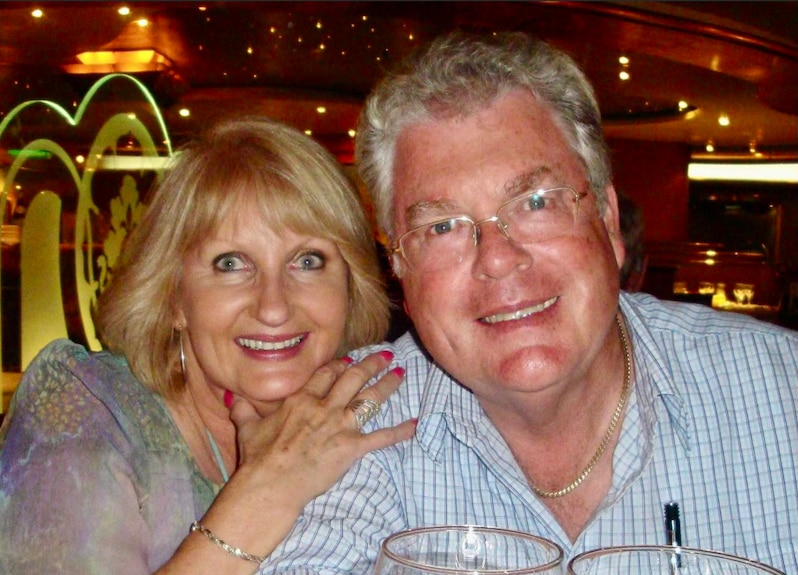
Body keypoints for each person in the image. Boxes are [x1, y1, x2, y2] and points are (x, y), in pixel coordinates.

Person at [258, 32, 798, 573]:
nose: (497, 258)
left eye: (535, 202)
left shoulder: (783, 394)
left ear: (608, 223)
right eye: (442, 226)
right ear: (399, 266)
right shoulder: (358, 423)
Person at [0, 117, 415, 574]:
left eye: (308, 261)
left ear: (350, 288)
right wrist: (268, 489)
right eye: (231, 264)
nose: (274, 306)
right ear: (174, 298)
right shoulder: (84, 408)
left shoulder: (370, 417)